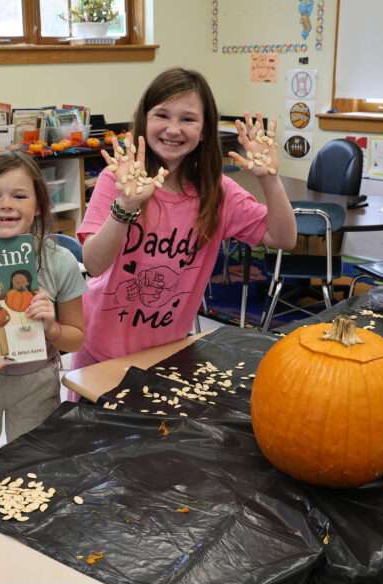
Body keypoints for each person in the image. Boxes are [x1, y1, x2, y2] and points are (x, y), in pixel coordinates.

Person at [73, 67, 298, 373]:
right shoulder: (117, 182)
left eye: (188, 119)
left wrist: (270, 181)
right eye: (162, 115)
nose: (174, 129)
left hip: (167, 356)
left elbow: (284, 238)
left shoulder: (219, 193)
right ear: (144, 119)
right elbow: (94, 263)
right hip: (100, 353)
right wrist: (126, 205)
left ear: (204, 130)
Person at [0, 150, 87, 460]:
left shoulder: (59, 262)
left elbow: (77, 336)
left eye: (19, 196)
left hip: (37, 384)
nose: (6, 204)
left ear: (38, 204)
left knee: (35, 465)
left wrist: (51, 327)